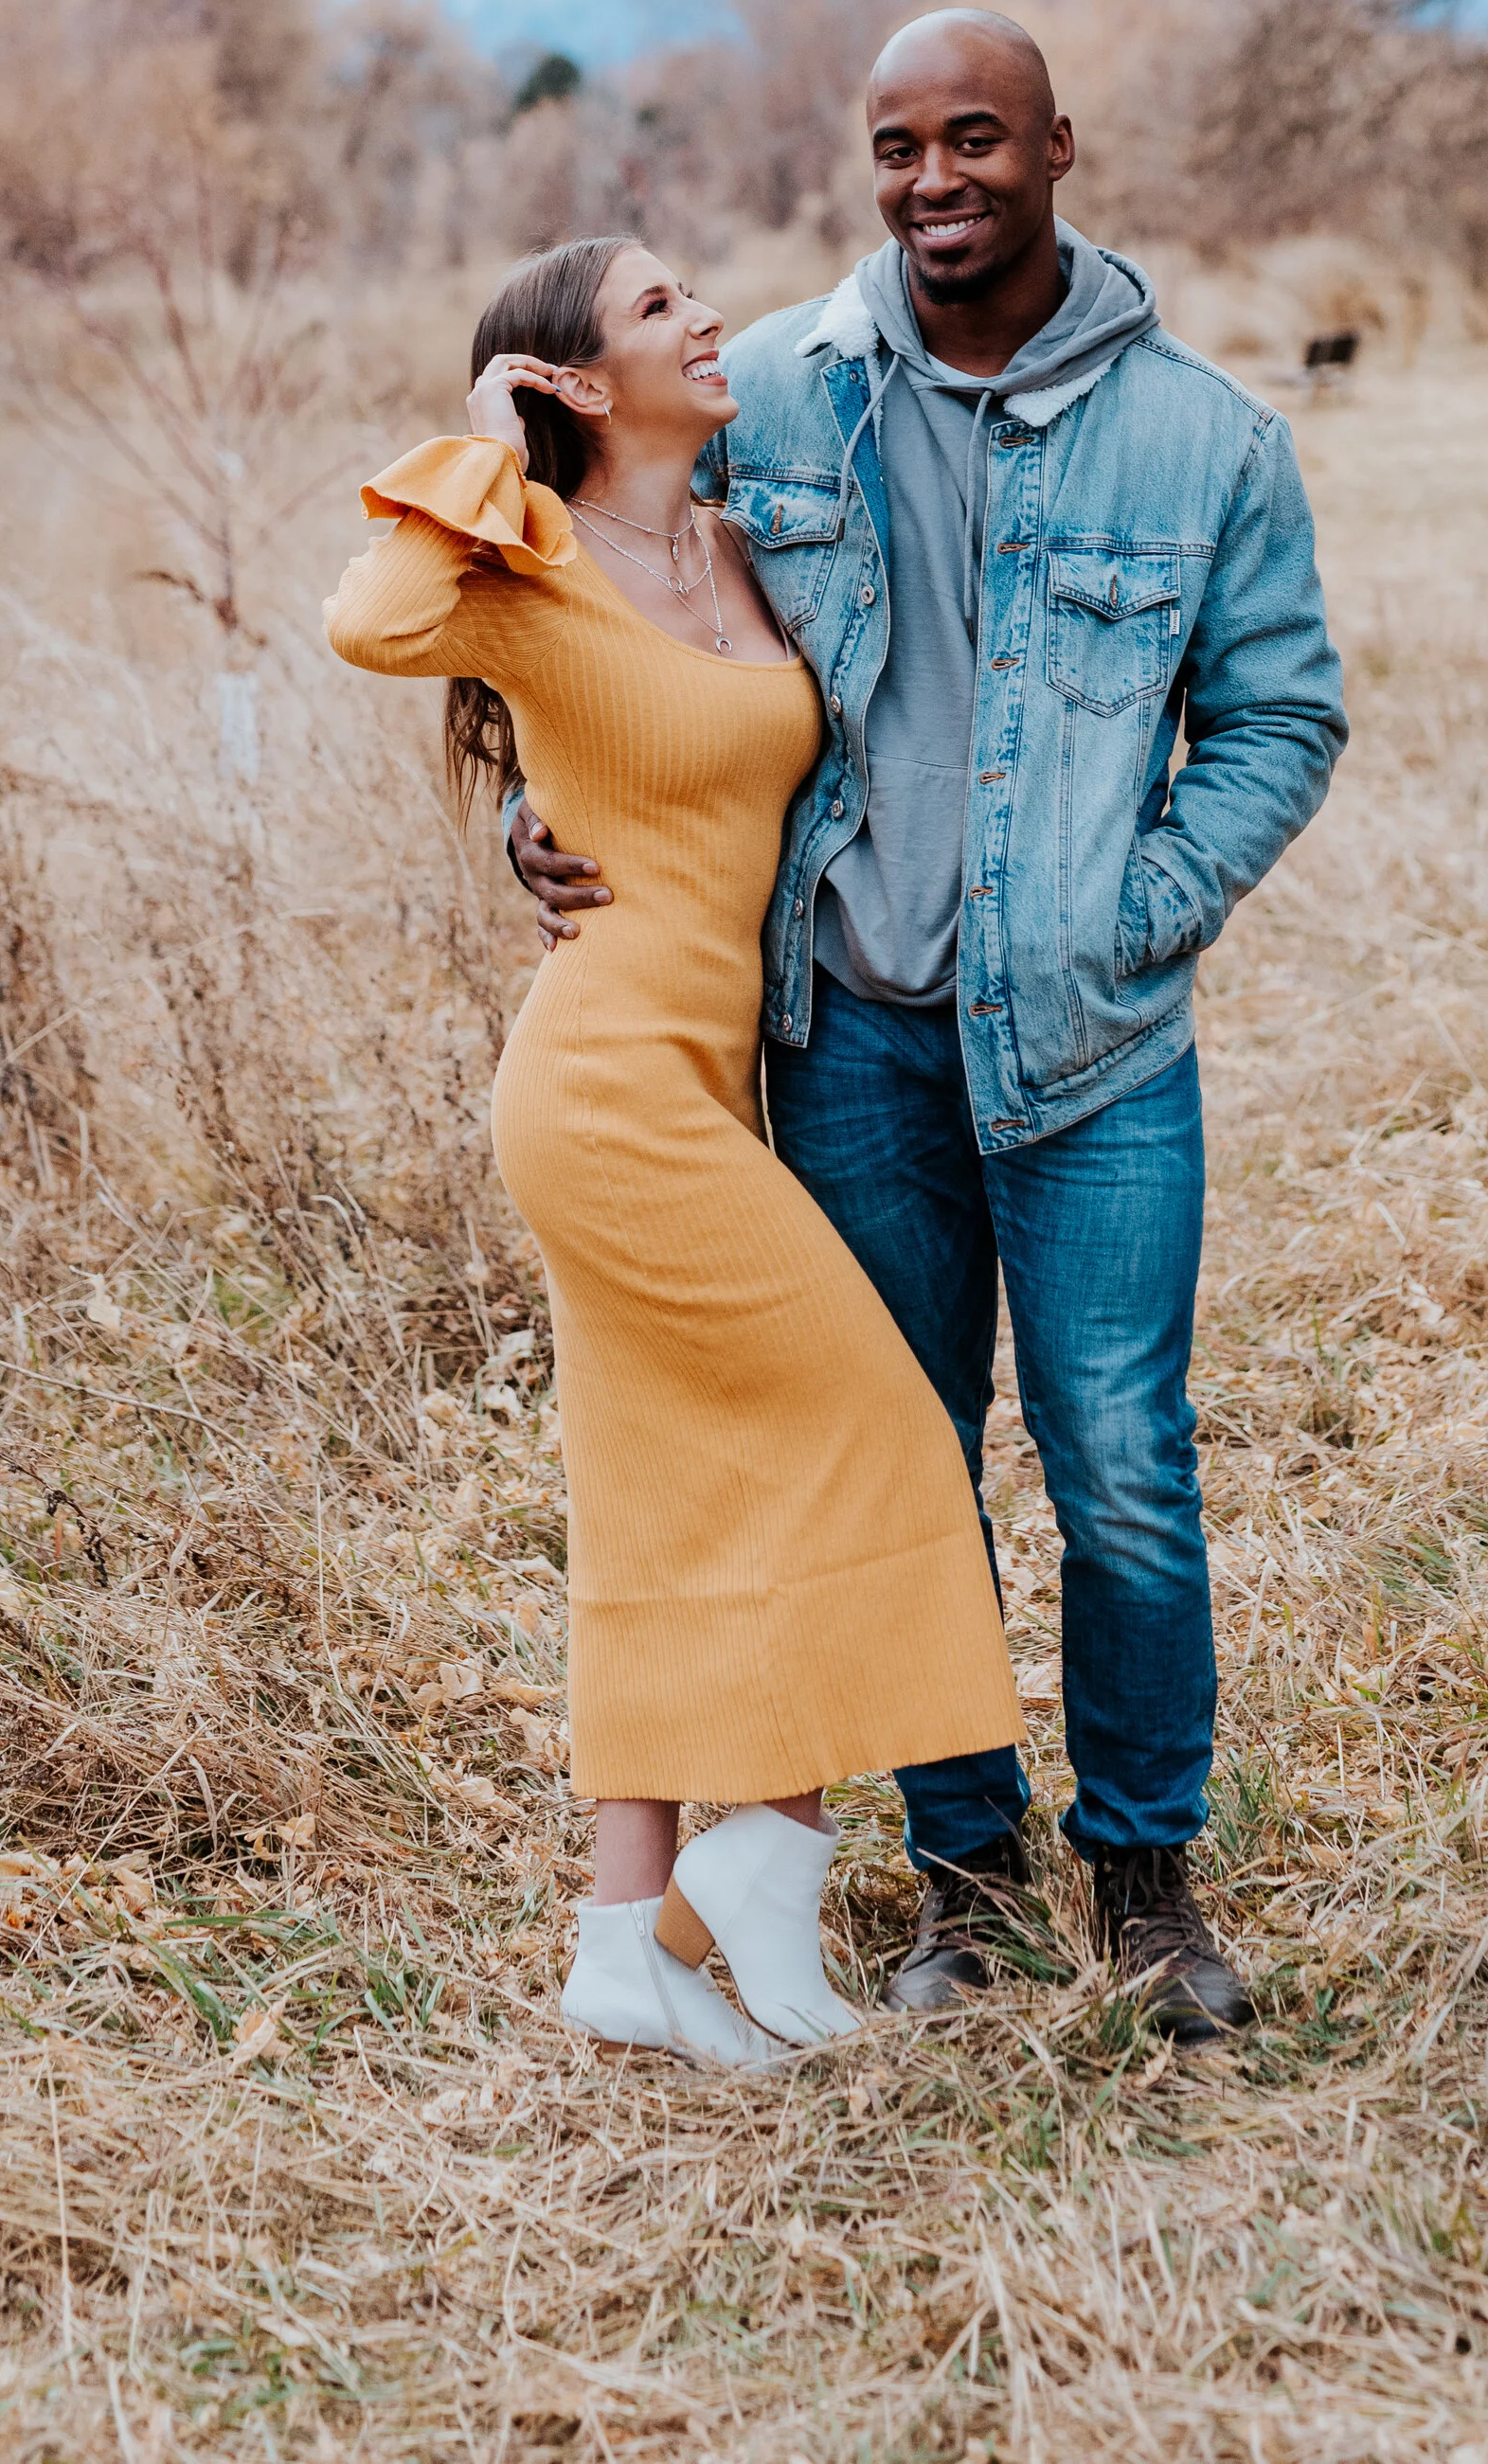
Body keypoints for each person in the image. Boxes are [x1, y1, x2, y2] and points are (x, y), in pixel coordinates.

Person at [510, 12, 1347, 2038]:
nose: (933, 181)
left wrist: (1135, 914)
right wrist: (564, 797)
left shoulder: (1204, 440)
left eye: (974, 139)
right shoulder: (778, 394)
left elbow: (1279, 716)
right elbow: (595, 587)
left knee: (1122, 1462)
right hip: (849, 1038)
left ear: (1059, 143)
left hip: (1093, 1054)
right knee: (906, 1458)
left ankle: (1143, 1884)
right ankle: (958, 1885)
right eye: (897, 146)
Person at [324, 235, 1024, 2067]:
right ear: (570, 381)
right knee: (872, 1424)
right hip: (608, 1089)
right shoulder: (519, 565)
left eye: (693, 293)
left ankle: (630, 1944)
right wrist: (481, 435)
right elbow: (372, 626)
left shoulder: (733, 541)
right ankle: (768, 1870)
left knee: (666, 1492)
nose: (707, 318)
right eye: (655, 309)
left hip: (717, 1076)